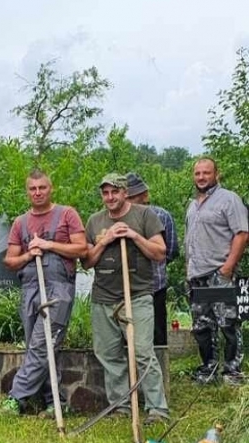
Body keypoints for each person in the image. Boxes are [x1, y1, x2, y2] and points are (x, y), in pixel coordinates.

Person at [83, 173, 170, 424]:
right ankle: (121, 407)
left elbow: (160, 252)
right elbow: (87, 261)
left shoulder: (144, 215)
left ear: (124, 192)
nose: (110, 197)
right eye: (105, 193)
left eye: (115, 192)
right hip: (103, 296)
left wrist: (133, 236)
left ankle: (157, 409)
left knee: (143, 351)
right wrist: (106, 240)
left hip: (138, 295)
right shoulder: (95, 221)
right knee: (109, 354)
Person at [1, 170, 87, 415]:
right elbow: (10, 260)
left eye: (42, 188)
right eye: (32, 188)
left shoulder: (67, 214)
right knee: (37, 346)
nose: (37, 192)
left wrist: (48, 245)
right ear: (27, 191)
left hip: (58, 288)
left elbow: (81, 249)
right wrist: (29, 254)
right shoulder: (20, 222)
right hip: (30, 286)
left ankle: (15, 398)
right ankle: (55, 402)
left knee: (42, 344)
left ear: (51, 189)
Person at [184, 158, 248, 384]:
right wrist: (188, 270)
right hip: (197, 275)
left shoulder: (229, 200)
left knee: (228, 322)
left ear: (216, 174)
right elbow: (189, 240)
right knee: (202, 325)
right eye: (198, 173)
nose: (201, 177)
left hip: (218, 271)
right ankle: (208, 370)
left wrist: (228, 267)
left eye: (206, 173)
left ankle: (232, 372)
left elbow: (242, 234)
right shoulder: (193, 205)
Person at [125, 172, 179, 347]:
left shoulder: (161, 215)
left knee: (157, 334)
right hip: (126, 286)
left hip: (155, 286)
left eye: (134, 196)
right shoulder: (118, 218)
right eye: (127, 196)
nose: (130, 200)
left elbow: (170, 251)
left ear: (144, 195)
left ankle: (160, 371)